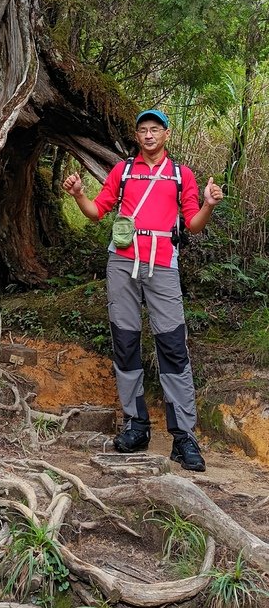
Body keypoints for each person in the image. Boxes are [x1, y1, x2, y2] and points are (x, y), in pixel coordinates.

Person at [62, 108, 223, 473]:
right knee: (126, 340)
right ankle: (136, 426)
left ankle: (183, 437)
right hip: (122, 260)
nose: (149, 135)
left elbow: (193, 224)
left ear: (167, 134)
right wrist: (77, 194)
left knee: (171, 343)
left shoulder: (181, 176)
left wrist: (210, 204)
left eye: (155, 129)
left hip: (163, 261)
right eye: (142, 130)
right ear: (137, 137)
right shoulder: (123, 171)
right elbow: (96, 212)